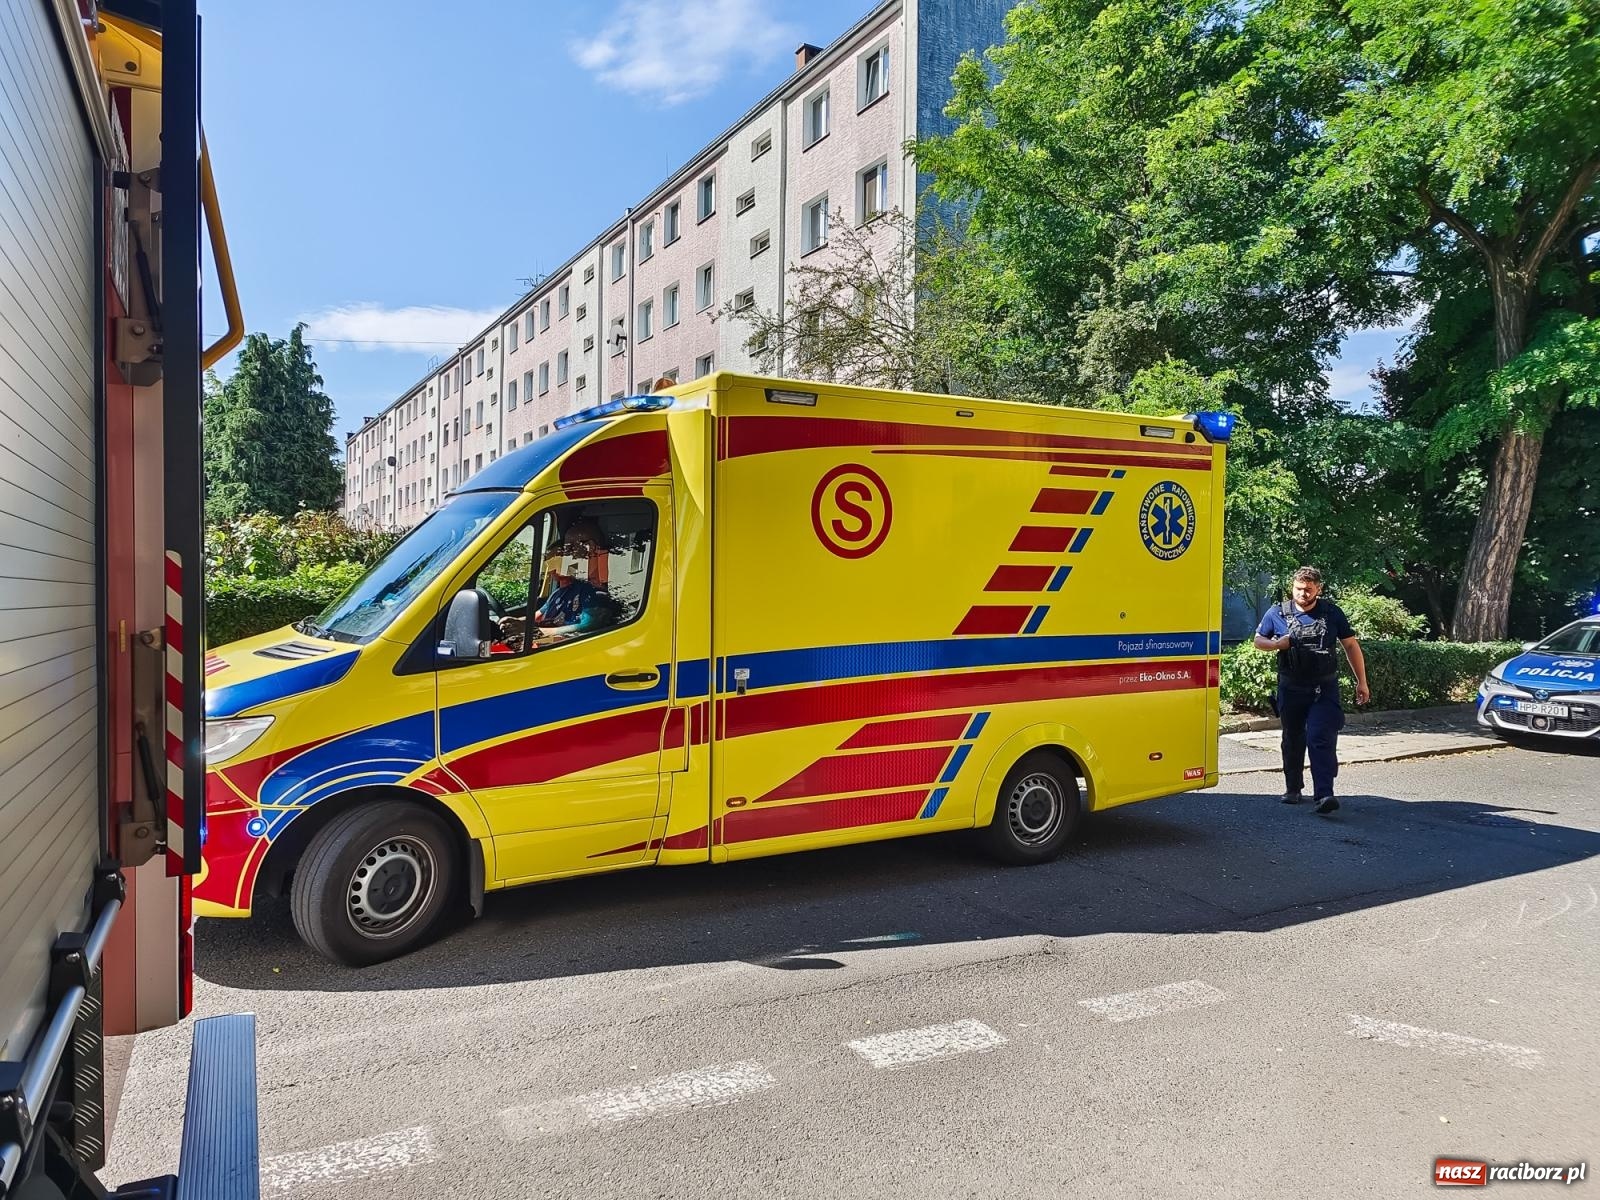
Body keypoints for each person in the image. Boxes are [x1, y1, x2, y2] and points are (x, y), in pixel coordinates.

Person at [1253, 566, 1372, 815]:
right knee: (1293, 738)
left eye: (1308, 589)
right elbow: (1258, 641)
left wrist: (1362, 681)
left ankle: (1324, 794)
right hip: (1291, 687)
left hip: (1323, 688)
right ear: (1292, 587)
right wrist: (1277, 644)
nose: (1303, 593)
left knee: (1321, 737)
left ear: (1319, 588)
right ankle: (1293, 788)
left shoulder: (1331, 613)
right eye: (1299, 588)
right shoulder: (1277, 612)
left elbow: (1350, 645)